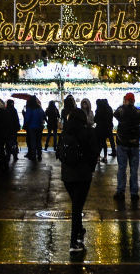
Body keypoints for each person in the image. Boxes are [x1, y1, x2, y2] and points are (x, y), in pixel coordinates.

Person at [58, 108, 100, 252]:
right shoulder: (88, 132)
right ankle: (73, 243)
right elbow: (95, 151)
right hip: (83, 175)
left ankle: (80, 230)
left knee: (76, 205)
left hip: (67, 176)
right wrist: (91, 167)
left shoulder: (65, 132)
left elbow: (59, 153)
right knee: (77, 208)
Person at [113, 92, 140, 202]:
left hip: (122, 143)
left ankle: (120, 191)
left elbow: (116, 114)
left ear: (126, 100)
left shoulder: (120, 110)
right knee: (134, 169)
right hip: (134, 144)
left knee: (122, 168)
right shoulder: (139, 112)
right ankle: (134, 193)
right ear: (134, 100)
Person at [0, 98, 21, 167]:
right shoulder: (14, 110)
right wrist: (17, 128)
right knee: (13, 142)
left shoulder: (5, 110)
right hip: (13, 130)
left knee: (8, 144)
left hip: (6, 131)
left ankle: (7, 157)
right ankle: (14, 155)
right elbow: (16, 120)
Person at [23, 95, 46, 161]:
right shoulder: (39, 108)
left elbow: (27, 118)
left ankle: (33, 155)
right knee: (38, 141)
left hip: (31, 127)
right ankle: (39, 155)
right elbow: (44, 116)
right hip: (39, 127)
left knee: (33, 141)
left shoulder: (30, 108)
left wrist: (25, 124)